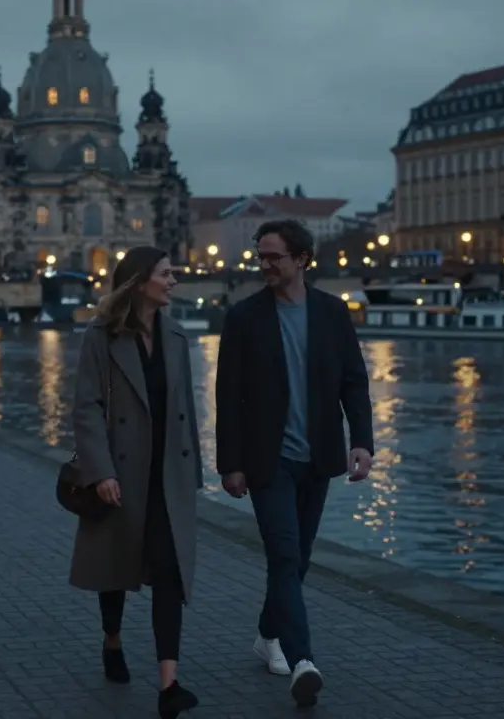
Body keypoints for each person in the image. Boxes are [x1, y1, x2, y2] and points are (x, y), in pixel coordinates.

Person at [214, 219, 374, 707]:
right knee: (283, 556)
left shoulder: (331, 312)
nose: (264, 265)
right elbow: (228, 395)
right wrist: (230, 464)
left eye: (273, 257)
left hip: (318, 455)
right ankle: (301, 659)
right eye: (259, 257)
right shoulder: (244, 317)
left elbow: (354, 381)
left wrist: (362, 441)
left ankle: (268, 635)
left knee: (297, 559)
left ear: (302, 259)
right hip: (267, 460)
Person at [68, 246, 202, 718]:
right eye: (167, 274)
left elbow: (186, 411)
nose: (174, 281)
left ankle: (169, 685)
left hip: (168, 472)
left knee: (169, 571)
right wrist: (99, 470)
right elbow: (86, 406)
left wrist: (195, 474)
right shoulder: (101, 336)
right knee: (116, 568)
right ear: (140, 280)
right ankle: (112, 639)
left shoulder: (178, 336)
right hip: (122, 470)